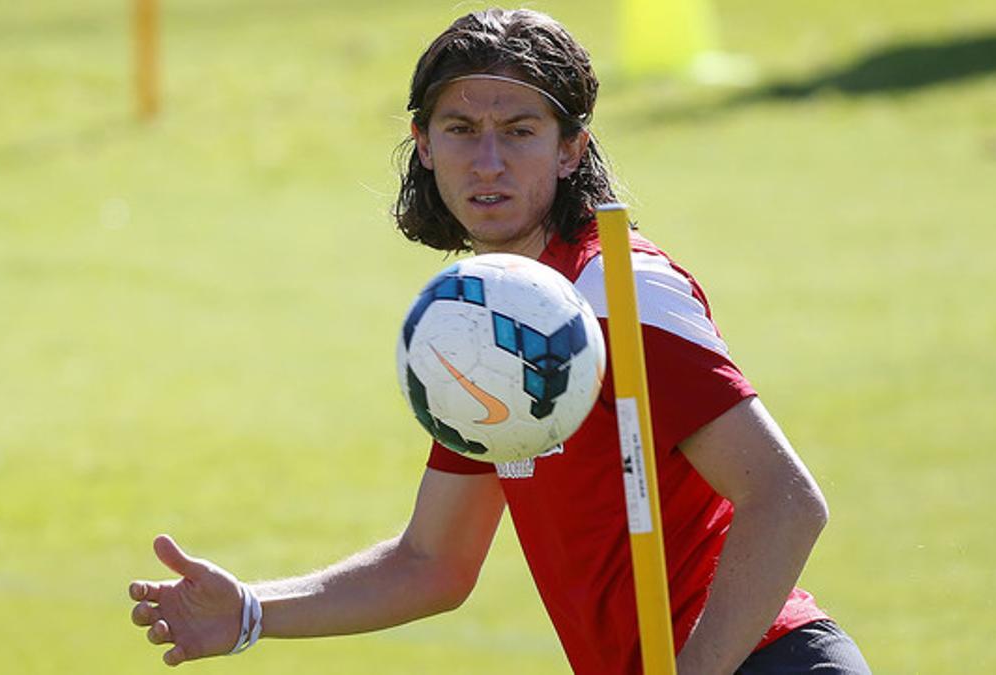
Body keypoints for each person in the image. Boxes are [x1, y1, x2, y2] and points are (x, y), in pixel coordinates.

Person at [128, 8, 871, 674]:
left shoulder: (615, 292)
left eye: (519, 132)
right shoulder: (476, 326)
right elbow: (433, 562)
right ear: (422, 143)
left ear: (571, 148)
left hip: (769, 661)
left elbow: (784, 499)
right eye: (461, 129)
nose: (488, 162)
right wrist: (253, 610)